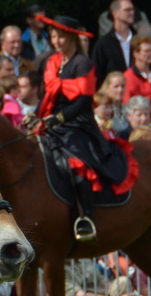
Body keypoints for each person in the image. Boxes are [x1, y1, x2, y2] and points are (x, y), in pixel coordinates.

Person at [34, 14, 129, 241]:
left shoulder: (83, 63)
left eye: (61, 37)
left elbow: (84, 101)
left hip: (78, 125)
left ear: (72, 38)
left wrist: (60, 118)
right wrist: (35, 114)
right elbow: (49, 94)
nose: (56, 41)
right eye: (54, 36)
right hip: (54, 121)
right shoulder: (53, 62)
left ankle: (85, 216)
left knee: (77, 165)